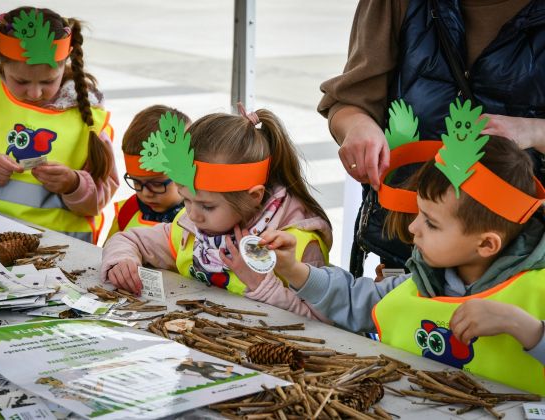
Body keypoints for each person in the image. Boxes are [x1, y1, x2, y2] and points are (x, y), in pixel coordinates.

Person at [246, 136, 545, 395]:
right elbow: (355, 299)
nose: (413, 228)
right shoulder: (421, 281)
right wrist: (295, 272)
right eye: (419, 213)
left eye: (431, 222)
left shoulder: (537, 291)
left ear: (486, 244)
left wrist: (525, 328)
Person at [319, 0, 545, 275]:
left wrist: (534, 131)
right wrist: (357, 126)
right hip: (403, 250)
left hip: (524, 264)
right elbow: (350, 100)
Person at [101, 105, 332, 308]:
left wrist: (261, 285)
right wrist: (122, 261)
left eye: (207, 206)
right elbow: (128, 239)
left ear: (254, 196)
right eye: (186, 199)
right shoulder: (189, 227)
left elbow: (324, 321)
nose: (192, 214)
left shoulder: (298, 245)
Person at [0, 7, 118, 244]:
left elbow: (103, 192)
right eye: (21, 80)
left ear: (65, 62)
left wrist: (73, 184)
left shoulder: (89, 116)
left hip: (59, 250)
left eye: (48, 81)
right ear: (0, 59)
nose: (35, 92)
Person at [105, 105, 189, 243]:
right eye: (137, 182)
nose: (146, 193)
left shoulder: (200, 222)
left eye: (156, 184)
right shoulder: (128, 211)